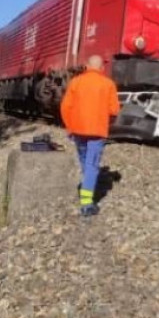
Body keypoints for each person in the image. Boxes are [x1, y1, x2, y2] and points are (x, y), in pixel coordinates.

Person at [60, 55, 121, 216]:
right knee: (92, 166)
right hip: (97, 131)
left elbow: (65, 107)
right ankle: (87, 204)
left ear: (87, 66)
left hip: (78, 131)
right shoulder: (108, 84)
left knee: (85, 162)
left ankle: (87, 185)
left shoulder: (76, 82)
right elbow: (114, 110)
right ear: (101, 68)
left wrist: (70, 127)